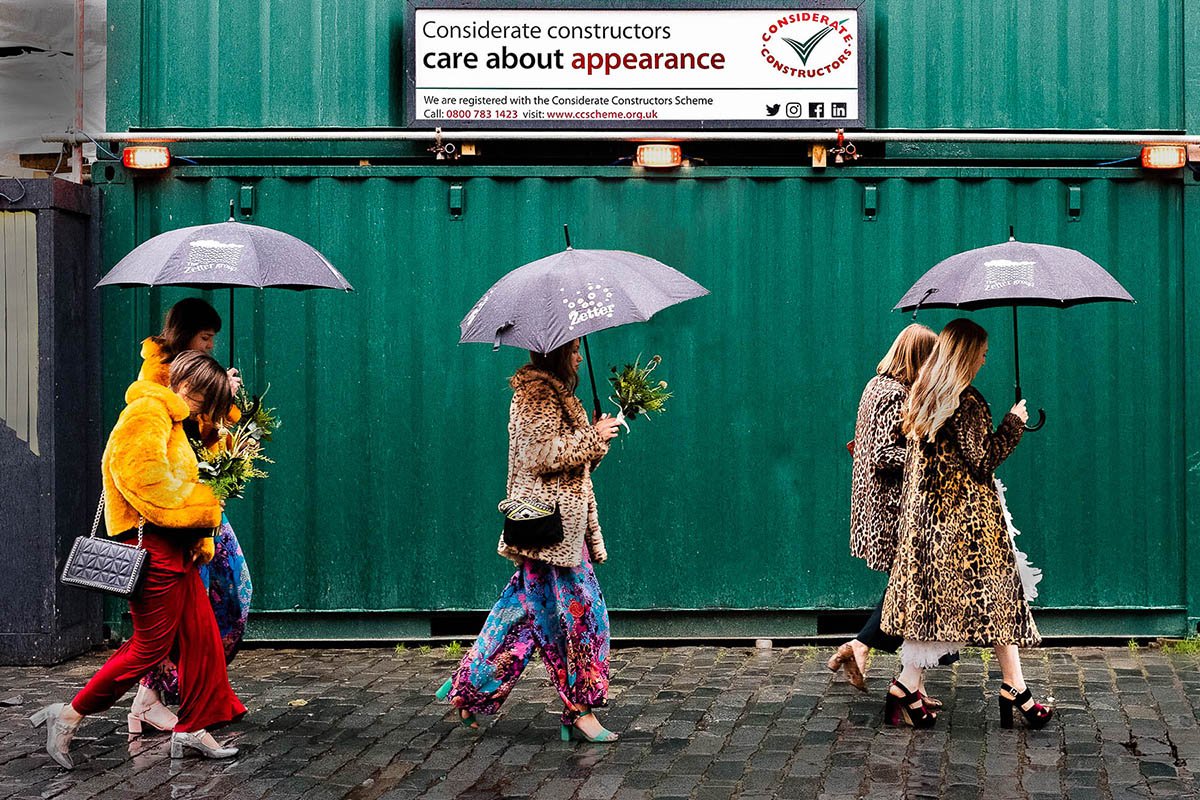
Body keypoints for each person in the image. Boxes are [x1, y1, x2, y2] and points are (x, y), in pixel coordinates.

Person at [31, 352, 246, 768]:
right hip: (151, 549)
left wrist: (222, 424)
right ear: (186, 389)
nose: (203, 412)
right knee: (149, 648)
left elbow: (190, 461)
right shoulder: (147, 412)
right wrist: (203, 506)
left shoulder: (173, 416)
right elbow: (143, 482)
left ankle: (191, 729)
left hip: (177, 547)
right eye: (205, 402)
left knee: (202, 640)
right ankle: (69, 714)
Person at [435, 339, 622, 742]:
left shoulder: (558, 393)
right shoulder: (537, 393)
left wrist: (595, 439)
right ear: (556, 352)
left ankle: (468, 690)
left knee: (519, 618)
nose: (578, 356)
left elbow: (573, 464)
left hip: (561, 530)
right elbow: (539, 455)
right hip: (550, 531)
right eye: (572, 349)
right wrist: (590, 436)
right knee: (584, 617)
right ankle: (580, 709)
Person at [880, 318, 1052, 729]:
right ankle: (910, 686)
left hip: (931, 525)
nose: (986, 358)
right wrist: (1013, 423)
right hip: (966, 530)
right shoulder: (966, 401)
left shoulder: (922, 394)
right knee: (987, 603)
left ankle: (1013, 686)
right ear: (967, 354)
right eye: (983, 352)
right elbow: (983, 460)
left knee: (967, 607)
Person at [130, 298, 252, 734]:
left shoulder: (201, 371)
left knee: (235, 593)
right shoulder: (157, 376)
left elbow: (209, 436)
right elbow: (171, 437)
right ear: (185, 334)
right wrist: (215, 400)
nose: (211, 345)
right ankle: (150, 698)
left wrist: (225, 399)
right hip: (176, 512)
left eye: (214, 339)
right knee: (179, 607)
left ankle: (194, 688)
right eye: (205, 337)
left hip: (202, 505)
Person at [829, 324, 950, 703]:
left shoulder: (876, 386)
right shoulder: (891, 393)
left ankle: (907, 678)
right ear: (918, 357)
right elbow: (884, 455)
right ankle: (864, 648)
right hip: (890, 510)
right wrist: (928, 459)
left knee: (912, 589)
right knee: (913, 588)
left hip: (882, 505)